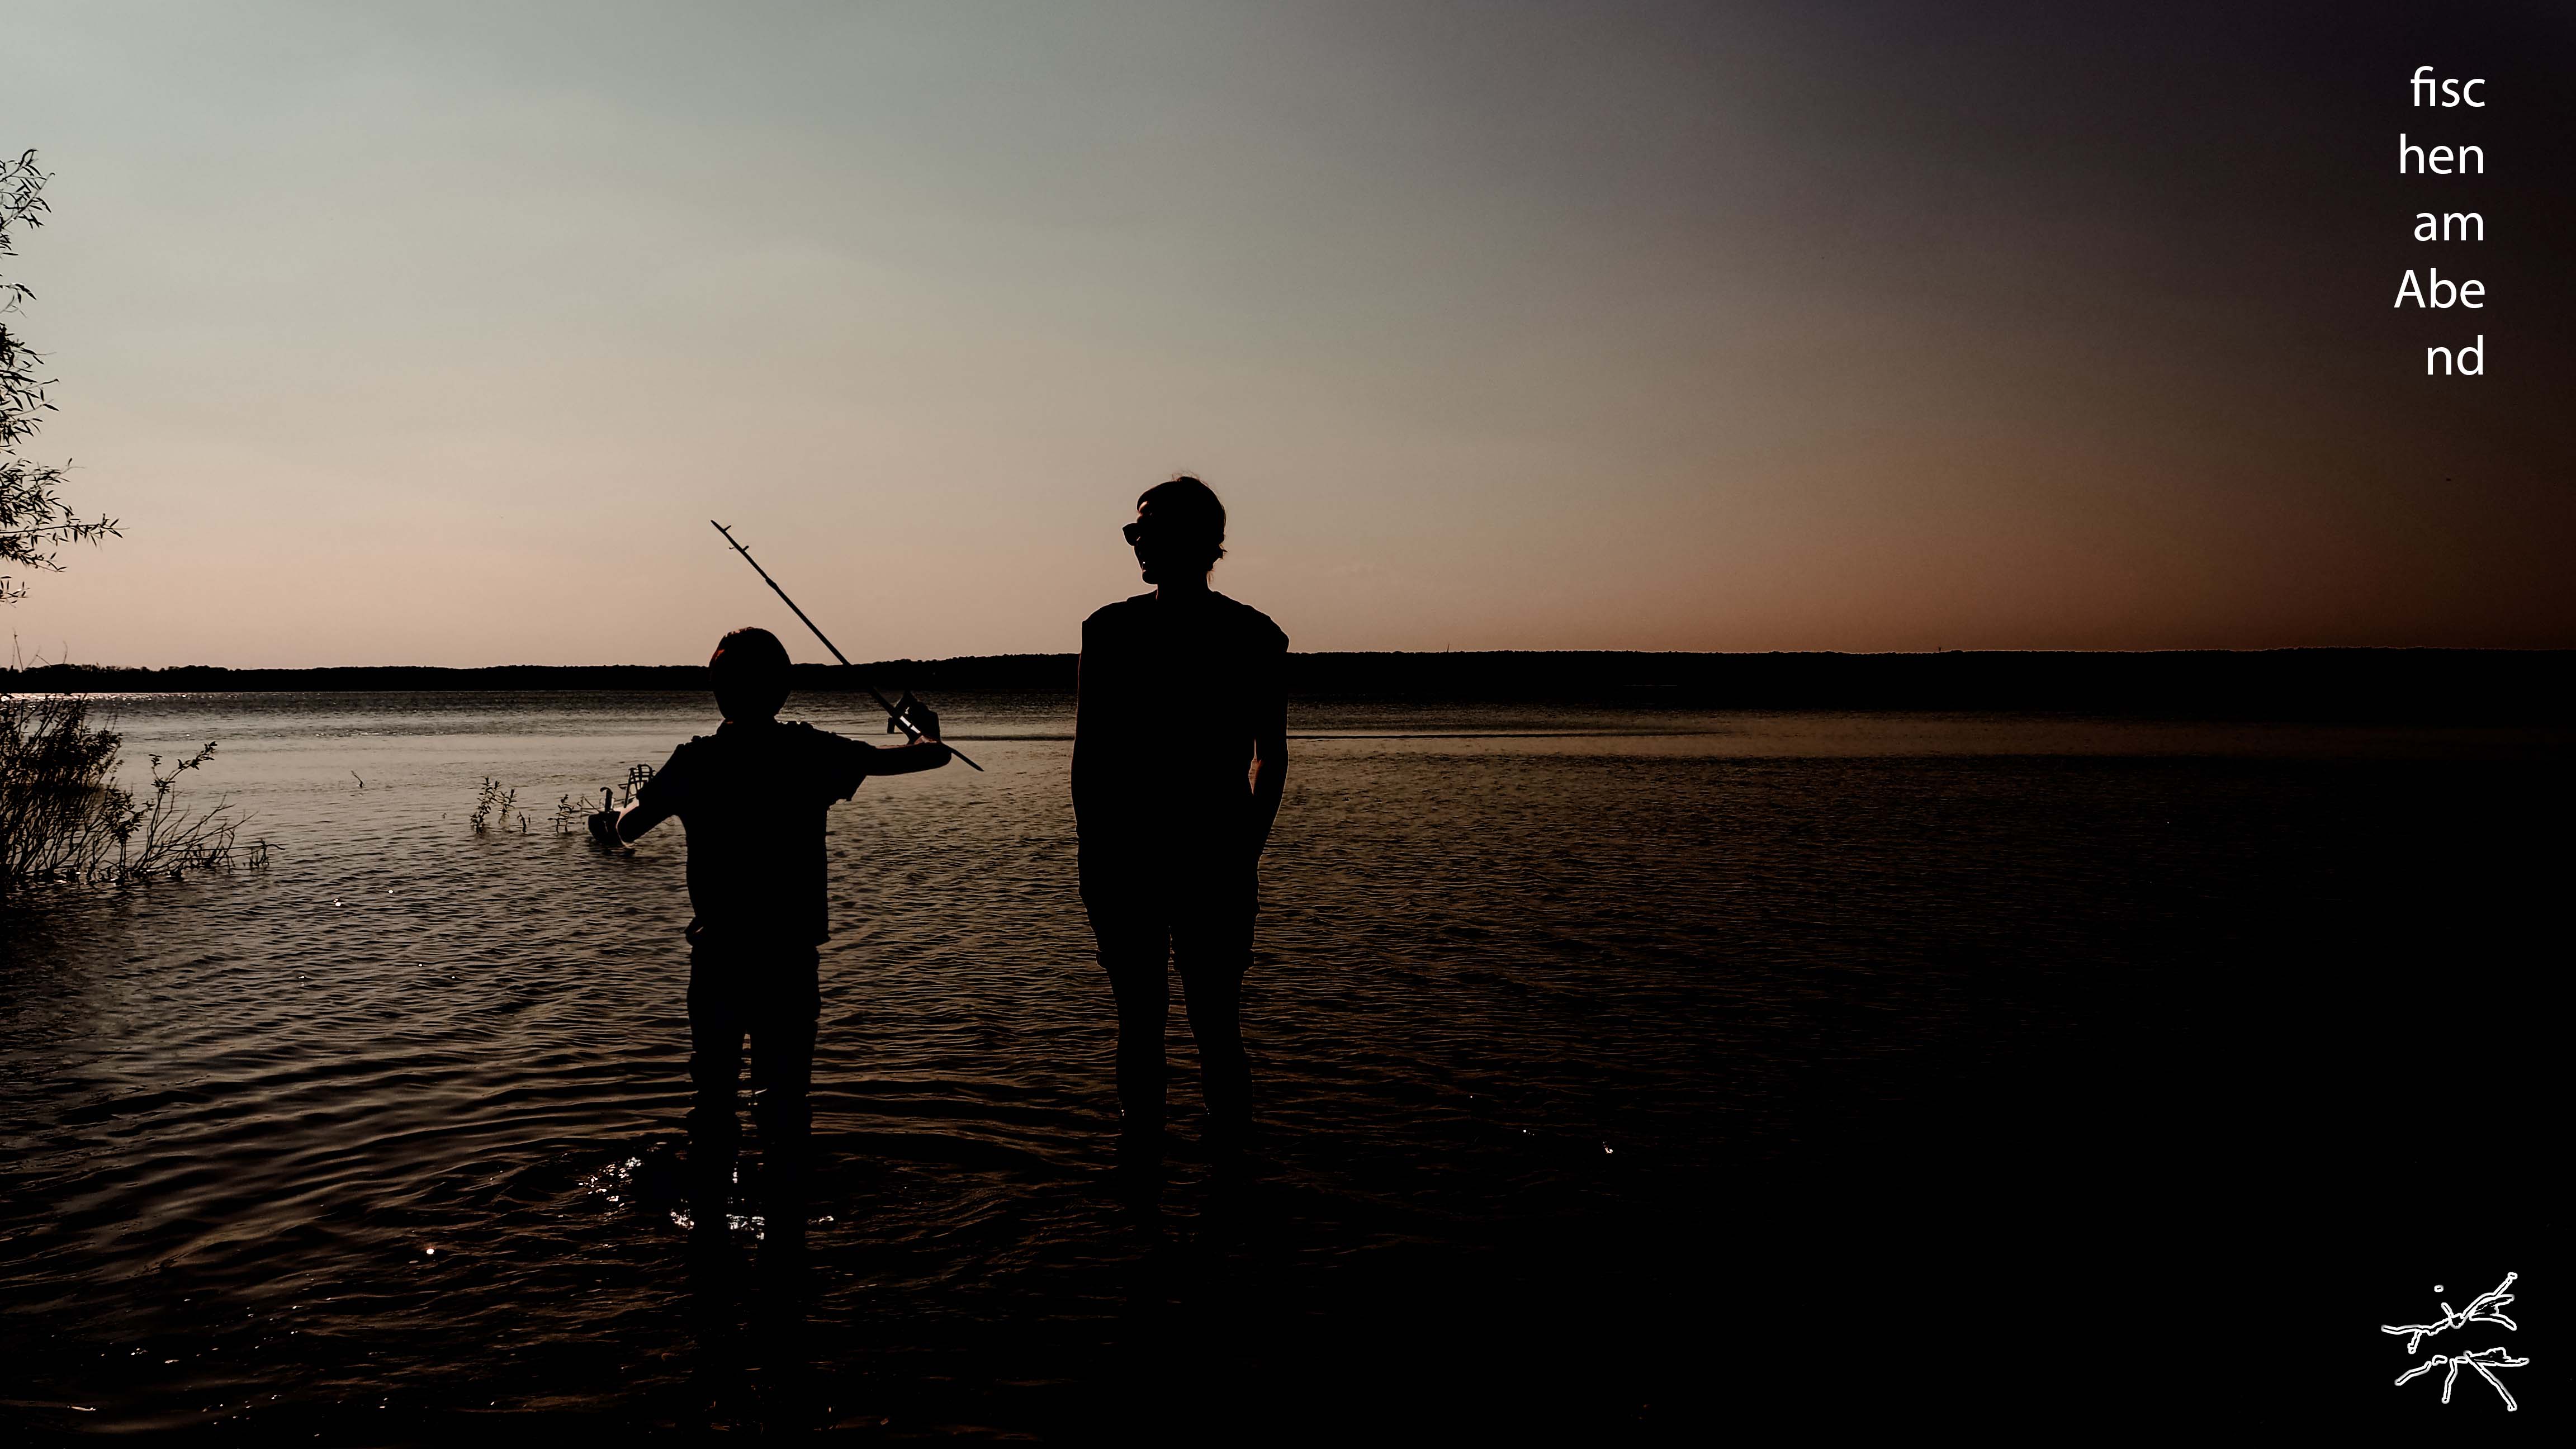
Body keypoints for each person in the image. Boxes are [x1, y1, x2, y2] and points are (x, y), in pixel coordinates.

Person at [590, 626, 951, 1246]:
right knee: (786, 1100)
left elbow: (627, 831)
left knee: (713, 1100)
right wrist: (925, 729)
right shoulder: (811, 753)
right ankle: (786, 1237)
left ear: (718, 690)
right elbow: (927, 758)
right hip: (788, 957)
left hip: (720, 957)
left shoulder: (695, 762)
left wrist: (612, 818)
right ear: (783, 689)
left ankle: (709, 1233)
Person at [1073, 476, 1289, 1166]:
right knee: (1142, 1022)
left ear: (1199, 541)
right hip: (1128, 861)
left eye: (1149, 531)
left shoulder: (1253, 636)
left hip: (1212, 857)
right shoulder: (1108, 631)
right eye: (1133, 532)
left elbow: (1271, 756)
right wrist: (1093, 858)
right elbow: (1090, 759)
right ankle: (1146, 1170)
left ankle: (1218, 1172)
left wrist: (1245, 852)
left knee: (1213, 1024)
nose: (1137, 543)